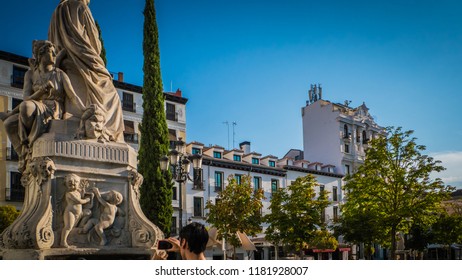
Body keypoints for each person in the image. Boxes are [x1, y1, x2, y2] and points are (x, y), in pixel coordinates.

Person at [1, 40, 85, 171]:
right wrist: (41, 92)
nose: (53, 55)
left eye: (54, 52)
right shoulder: (30, 74)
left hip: (52, 108)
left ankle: (26, 138)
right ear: (40, 55)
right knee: (8, 124)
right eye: (50, 52)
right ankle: (24, 154)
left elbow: (73, 96)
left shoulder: (59, 74)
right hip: (36, 105)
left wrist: (84, 110)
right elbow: (26, 98)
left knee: (25, 107)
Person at [49, 0, 124, 142]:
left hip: (63, 60)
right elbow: (95, 44)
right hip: (82, 59)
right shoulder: (80, 7)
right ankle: (109, 131)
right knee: (111, 94)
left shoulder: (56, 12)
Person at [60, 174, 92, 248]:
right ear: (66, 185)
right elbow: (79, 201)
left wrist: (83, 191)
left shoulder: (77, 192)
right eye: (70, 184)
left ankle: (82, 227)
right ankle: (63, 242)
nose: (73, 185)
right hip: (70, 212)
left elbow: (81, 196)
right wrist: (87, 200)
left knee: (88, 213)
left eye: (75, 183)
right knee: (68, 227)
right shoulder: (69, 194)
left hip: (78, 213)